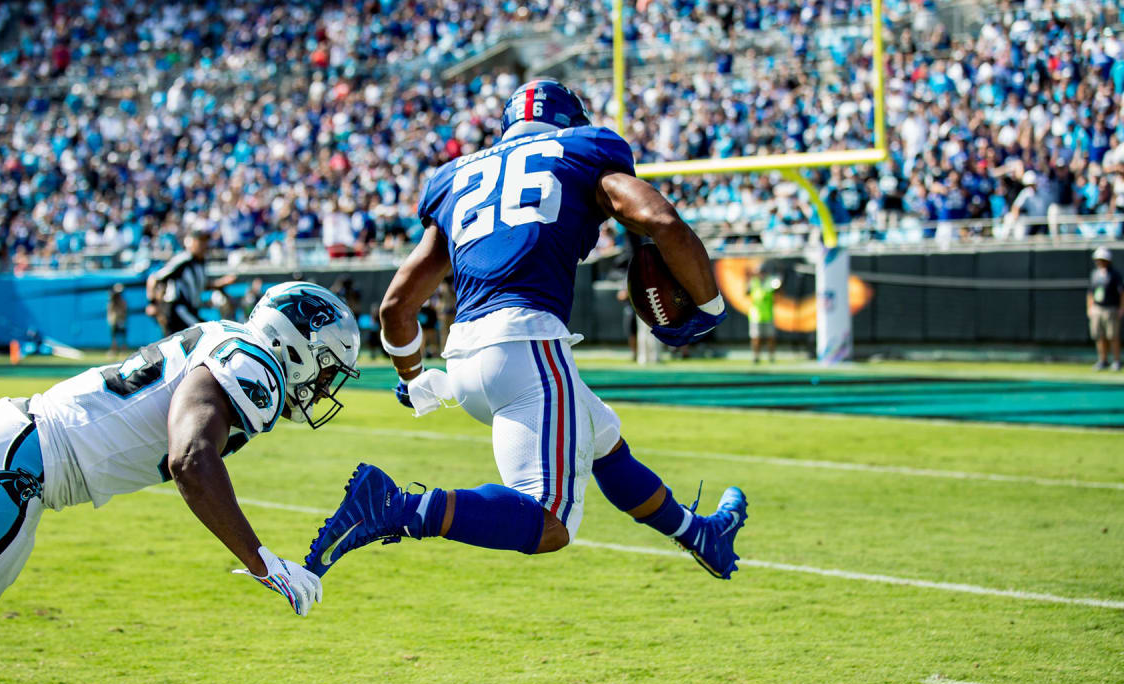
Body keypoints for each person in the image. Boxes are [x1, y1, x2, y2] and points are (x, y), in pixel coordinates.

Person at [305, 79, 745, 583]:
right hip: (528, 348)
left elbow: (395, 308)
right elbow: (661, 220)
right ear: (570, 121)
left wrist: (411, 379)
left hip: (465, 360)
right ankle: (398, 506)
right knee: (550, 521)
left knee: (603, 440)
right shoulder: (586, 148)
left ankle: (699, 534)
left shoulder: (458, 176)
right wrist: (708, 307)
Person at [0, 282, 360, 667]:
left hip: (26, 462)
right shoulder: (253, 365)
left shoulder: (233, 343)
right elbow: (190, 459)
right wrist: (262, 562)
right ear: (296, 346)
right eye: (325, 371)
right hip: (21, 462)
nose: (322, 389)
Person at [146, 231, 237, 334]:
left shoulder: (200, 262)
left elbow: (201, 285)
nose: (204, 245)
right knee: (204, 334)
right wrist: (152, 303)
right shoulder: (184, 260)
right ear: (191, 243)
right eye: (200, 241)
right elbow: (154, 278)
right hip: (178, 309)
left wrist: (222, 282)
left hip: (190, 310)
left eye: (205, 241)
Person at [1087, 247, 1124, 371]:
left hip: (1111, 308)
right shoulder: (1095, 274)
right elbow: (1090, 293)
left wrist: (1122, 308)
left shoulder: (1115, 274)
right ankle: (1103, 360)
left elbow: (1123, 292)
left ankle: (1116, 361)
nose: (1099, 262)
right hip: (1098, 308)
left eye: (1102, 260)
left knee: (1113, 336)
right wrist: (1090, 307)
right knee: (1099, 336)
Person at [747, 270, 778, 363]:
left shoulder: (771, 282)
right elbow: (746, 292)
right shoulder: (753, 282)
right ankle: (755, 356)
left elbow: (778, 291)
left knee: (771, 337)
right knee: (756, 337)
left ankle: (771, 356)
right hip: (755, 315)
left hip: (768, 315)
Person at [106, 283, 128, 358]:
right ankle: (114, 351)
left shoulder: (122, 301)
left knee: (122, 337)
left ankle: (123, 351)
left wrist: (123, 320)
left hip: (121, 320)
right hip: (114, 320)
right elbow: (110, 310)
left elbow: (124, 311)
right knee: (114, 337)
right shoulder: (112, 300)